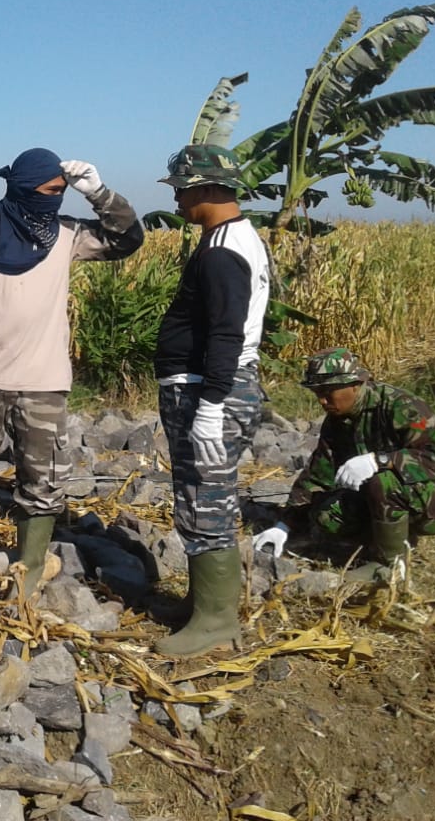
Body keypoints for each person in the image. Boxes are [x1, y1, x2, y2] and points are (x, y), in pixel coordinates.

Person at [0, 148, 144, 596]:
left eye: (61, 191)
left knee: (43, 474)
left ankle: (30, 562)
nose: (54, 199)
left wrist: (100, 194)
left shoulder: (67, 235)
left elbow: (127, 239)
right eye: (47, 191)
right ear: (21, 187)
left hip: (43, 379)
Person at [152, 144, 269, 657]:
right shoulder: (231, 238)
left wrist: (212, 404)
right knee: (204, 498)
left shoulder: (222, 250)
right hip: (209, 384)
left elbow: (227, 331)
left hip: (208, 388)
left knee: (206, 502)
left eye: (180, 190)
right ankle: (204, 604)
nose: (177, 201)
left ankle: (217, 621)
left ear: (204, 189)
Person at [251, 347, 435, 583]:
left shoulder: (400, 406)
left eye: (328, 392)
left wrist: (381, 461)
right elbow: (317, 475)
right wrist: (284, 524)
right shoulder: (337, 421)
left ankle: (389, 565)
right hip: (385, 496)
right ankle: (392, 537)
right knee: (325, 514)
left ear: (355, 384)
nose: (322, 401)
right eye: (317, 393)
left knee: (381, 479)